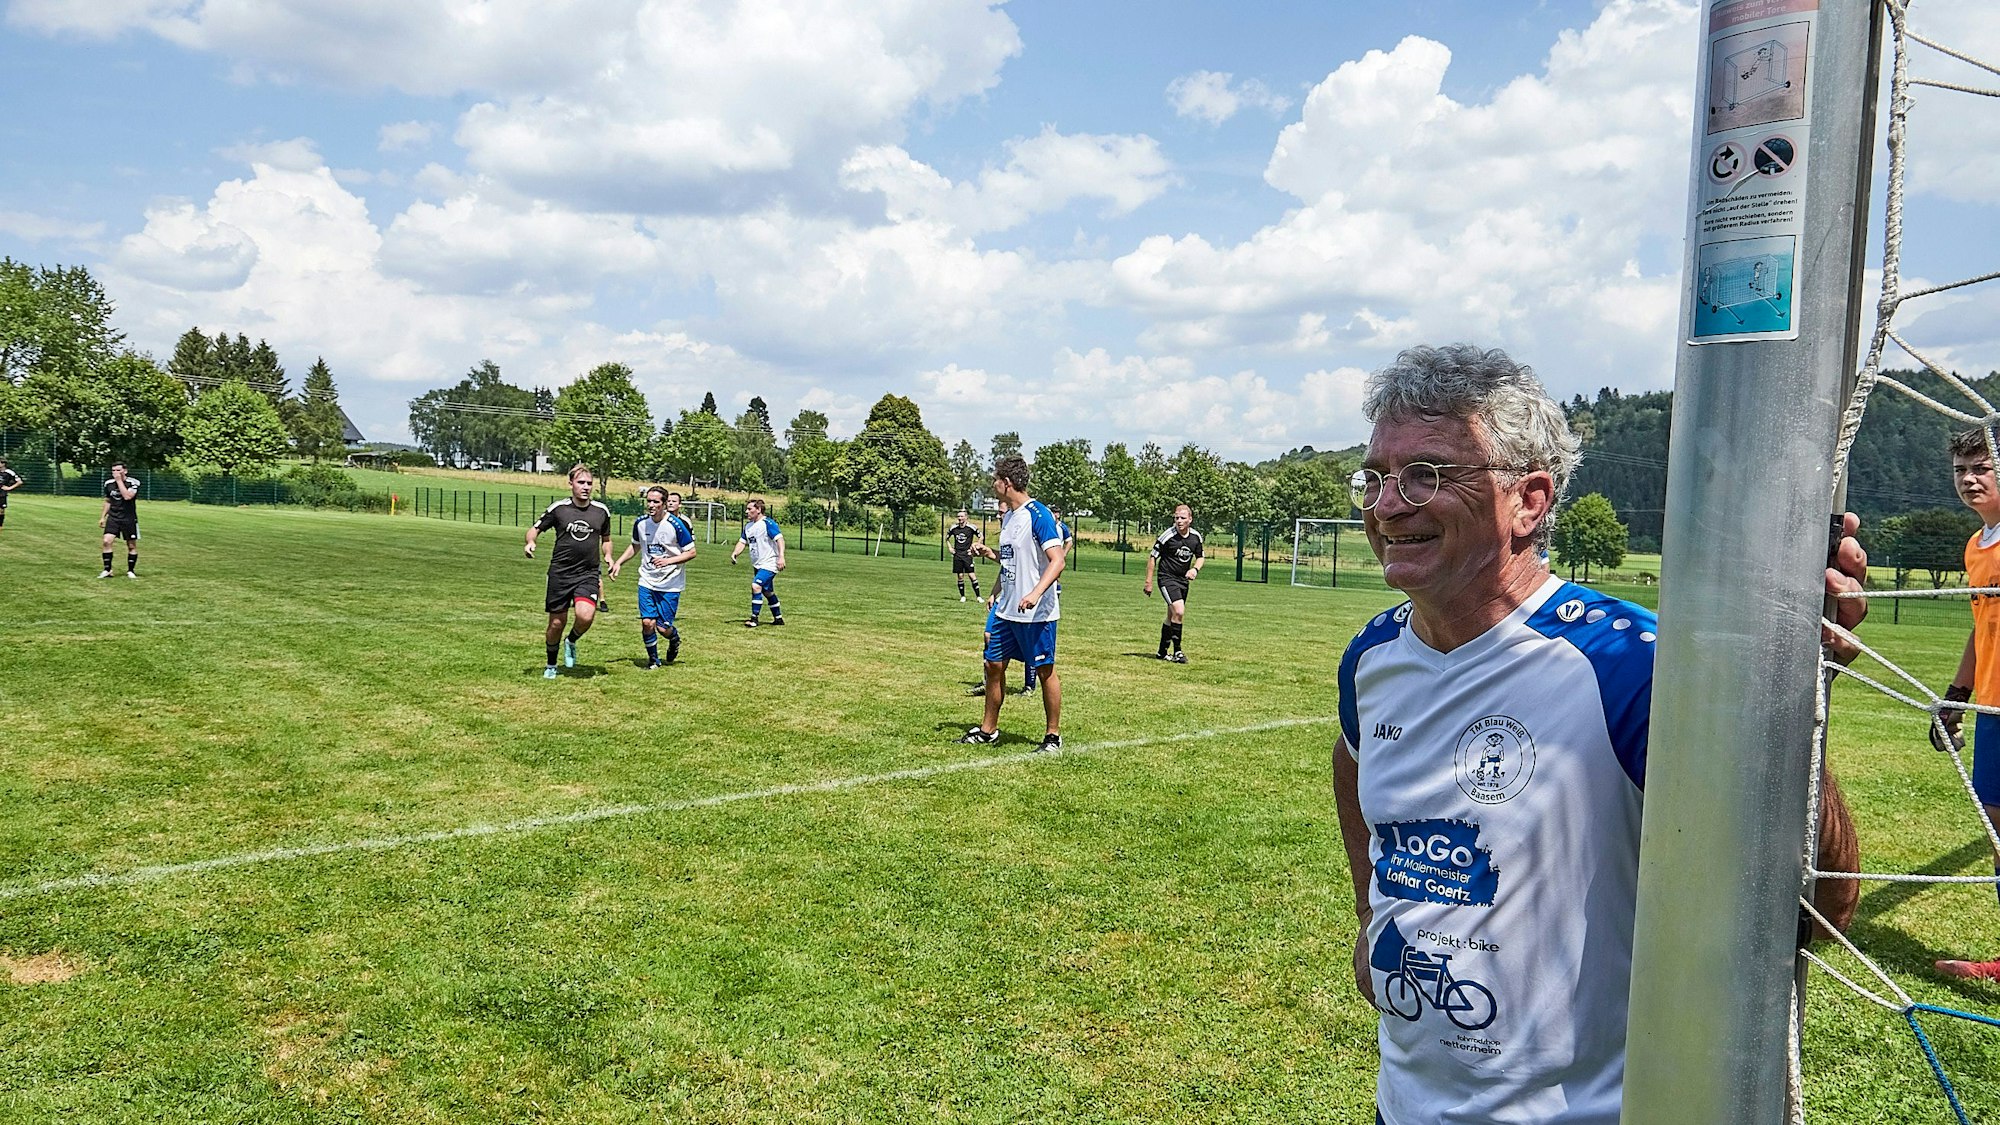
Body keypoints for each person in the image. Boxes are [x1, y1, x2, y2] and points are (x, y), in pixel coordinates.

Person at [1332, 344, 1863, 1125]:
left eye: (1427, 476)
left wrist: (1785, 705)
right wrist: (1368, 912)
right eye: (1375, 477)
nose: (1386, 505)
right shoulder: (1373, 655)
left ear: (1530, 500)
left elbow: (1825, 907)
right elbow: (1352, 759)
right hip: (1404, 1106)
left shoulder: (1632, 665)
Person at [1932, 428, 2000, 981]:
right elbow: (1981, 630)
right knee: (1998, 836)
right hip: (1994, 713)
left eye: (1982, 466)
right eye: (1960, 469)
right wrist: (1956, 698)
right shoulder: (1976, 548)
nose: (1969, 479)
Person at [956, 456, 1066, 752]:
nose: (993, 485)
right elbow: (1014, 561)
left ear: (1006, 483)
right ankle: (988, 730)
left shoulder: (1038, 514)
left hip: (1036, 613)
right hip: (1006, 609)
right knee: (993, 664)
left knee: (1045, 671)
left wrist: (1035, 594)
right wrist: (990, 553)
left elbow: (1058, 562)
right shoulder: (1009, 518)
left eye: (995, 480)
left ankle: (1053, 737)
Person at [525, 464, 618, 679]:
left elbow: (606, 539)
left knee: (585, 616)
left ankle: (572, 640)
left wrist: (609, 556)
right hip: (561, 573)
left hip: (588, 573)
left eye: (589, 483)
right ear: (571, 484)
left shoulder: (601, 511)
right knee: (557, 623)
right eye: (581, 483)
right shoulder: (559, 509)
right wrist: (530, 542)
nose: (585, 487)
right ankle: (551, 665)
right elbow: (535, 528)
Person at [614, 487, 697, 669]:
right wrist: (619, 562)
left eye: (656, 502)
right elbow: (635, 546)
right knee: (647, 622)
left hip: (671, 583)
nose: (651, 505)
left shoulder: (675, 524)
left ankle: (674, 639)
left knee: (663, 628)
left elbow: (691, 552)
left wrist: (669, 561)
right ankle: (654, 660)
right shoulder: (641, 523)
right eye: (649, 501)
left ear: (664, 504)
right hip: (647, 579)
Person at [1144, 503, 1204, 663]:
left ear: (1190, 519)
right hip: (1167, 578)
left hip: (1183, 581)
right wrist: (1148, 581)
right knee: (1179, 611)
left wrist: (1195, 570)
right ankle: (1178, 652)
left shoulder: (1196, 537)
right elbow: (1152, 557)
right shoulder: (1167, 536)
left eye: (1183, 518)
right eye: (1176, 517)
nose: (1179, 521)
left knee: (1171, 616)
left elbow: (1200, 556)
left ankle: (1162, 652)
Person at [730, 498, 787, 627]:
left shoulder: (767, 523)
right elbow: (742, 542)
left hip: (770, 563)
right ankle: (778, 619)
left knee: (756, 586)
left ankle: (754, 619)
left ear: (759, 510)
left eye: (750, 509)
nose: (747, 511)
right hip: (758, 564)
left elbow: (780, 539)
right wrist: (735, 553)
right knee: (767, 592)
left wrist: (781, 557)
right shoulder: (748, 526)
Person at [99, 462, 141, 578]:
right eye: (113, 471)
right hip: (113, 517)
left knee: (131, 545)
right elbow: (108, 501)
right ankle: (107, 570)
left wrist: (119, 481)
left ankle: (131, 571)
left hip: (128, 518)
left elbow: (128, 496)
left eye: (118, 470)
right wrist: (103, 517)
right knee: (107, 541)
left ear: (125, 471)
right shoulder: (108, 484)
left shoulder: (133, 483)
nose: (115, 473)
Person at [946, 509, 984, 602]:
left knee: (972, 575)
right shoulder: (953, 528)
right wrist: (950, 548)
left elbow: (981, 536)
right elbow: (946, 538)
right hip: (957, 554)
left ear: (966, 517)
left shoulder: (971, 527)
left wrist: (976, 545)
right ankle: (962, 596)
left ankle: (978, 597)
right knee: (960, 576)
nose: (960, 518)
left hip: (967, 554)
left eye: (962, 516)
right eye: (958, 516)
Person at [0, 457, 21, 536]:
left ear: (3, 464)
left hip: (2, 494)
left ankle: (0, 525)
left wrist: (9, 488)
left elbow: (19, 482)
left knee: (1, 510)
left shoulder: (9, 472)